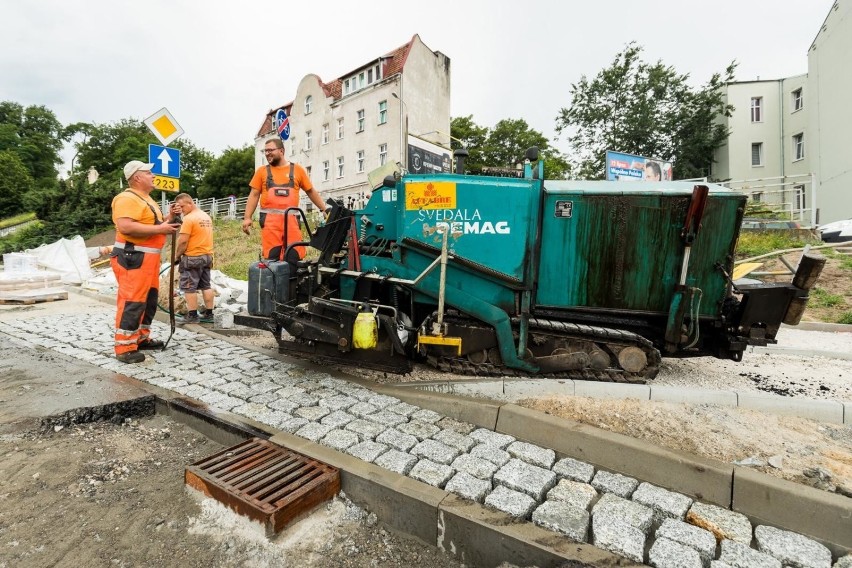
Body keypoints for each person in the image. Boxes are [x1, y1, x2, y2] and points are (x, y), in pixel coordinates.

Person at [110, 160, 181, 363]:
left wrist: (169, 218)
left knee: (148, 302)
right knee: (132, 301)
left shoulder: (147, 199)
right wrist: (161, 229)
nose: (153, 175)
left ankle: (141, 338)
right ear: (137, 177)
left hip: (147, 260)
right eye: (149, 172)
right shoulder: (126, 198)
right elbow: (126, 227)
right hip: (132, 258)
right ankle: (124, 348)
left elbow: (154, 225)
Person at [242, 138, 328, 262]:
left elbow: (310, 191)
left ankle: (293, 281)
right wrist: (247, 217)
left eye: (270, 150)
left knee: (294, 256)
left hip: (292, 223)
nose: (267, 153)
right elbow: (254, 195)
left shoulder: (297, 170)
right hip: (270, 225)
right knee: (272, 260)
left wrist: (324, 209)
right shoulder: (262, 172)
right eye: (265, 151)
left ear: (281, 151)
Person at [173, 193, 215, 324]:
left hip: (192, 258)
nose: (181, 209)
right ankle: (209, 314)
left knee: (189, 287)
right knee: (206, 286)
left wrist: (177, 256)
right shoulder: (205, 216)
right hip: (207, 256)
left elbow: (183, 241)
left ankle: (192, 316)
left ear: (190, 203)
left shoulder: (189, 218)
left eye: (182, 206)